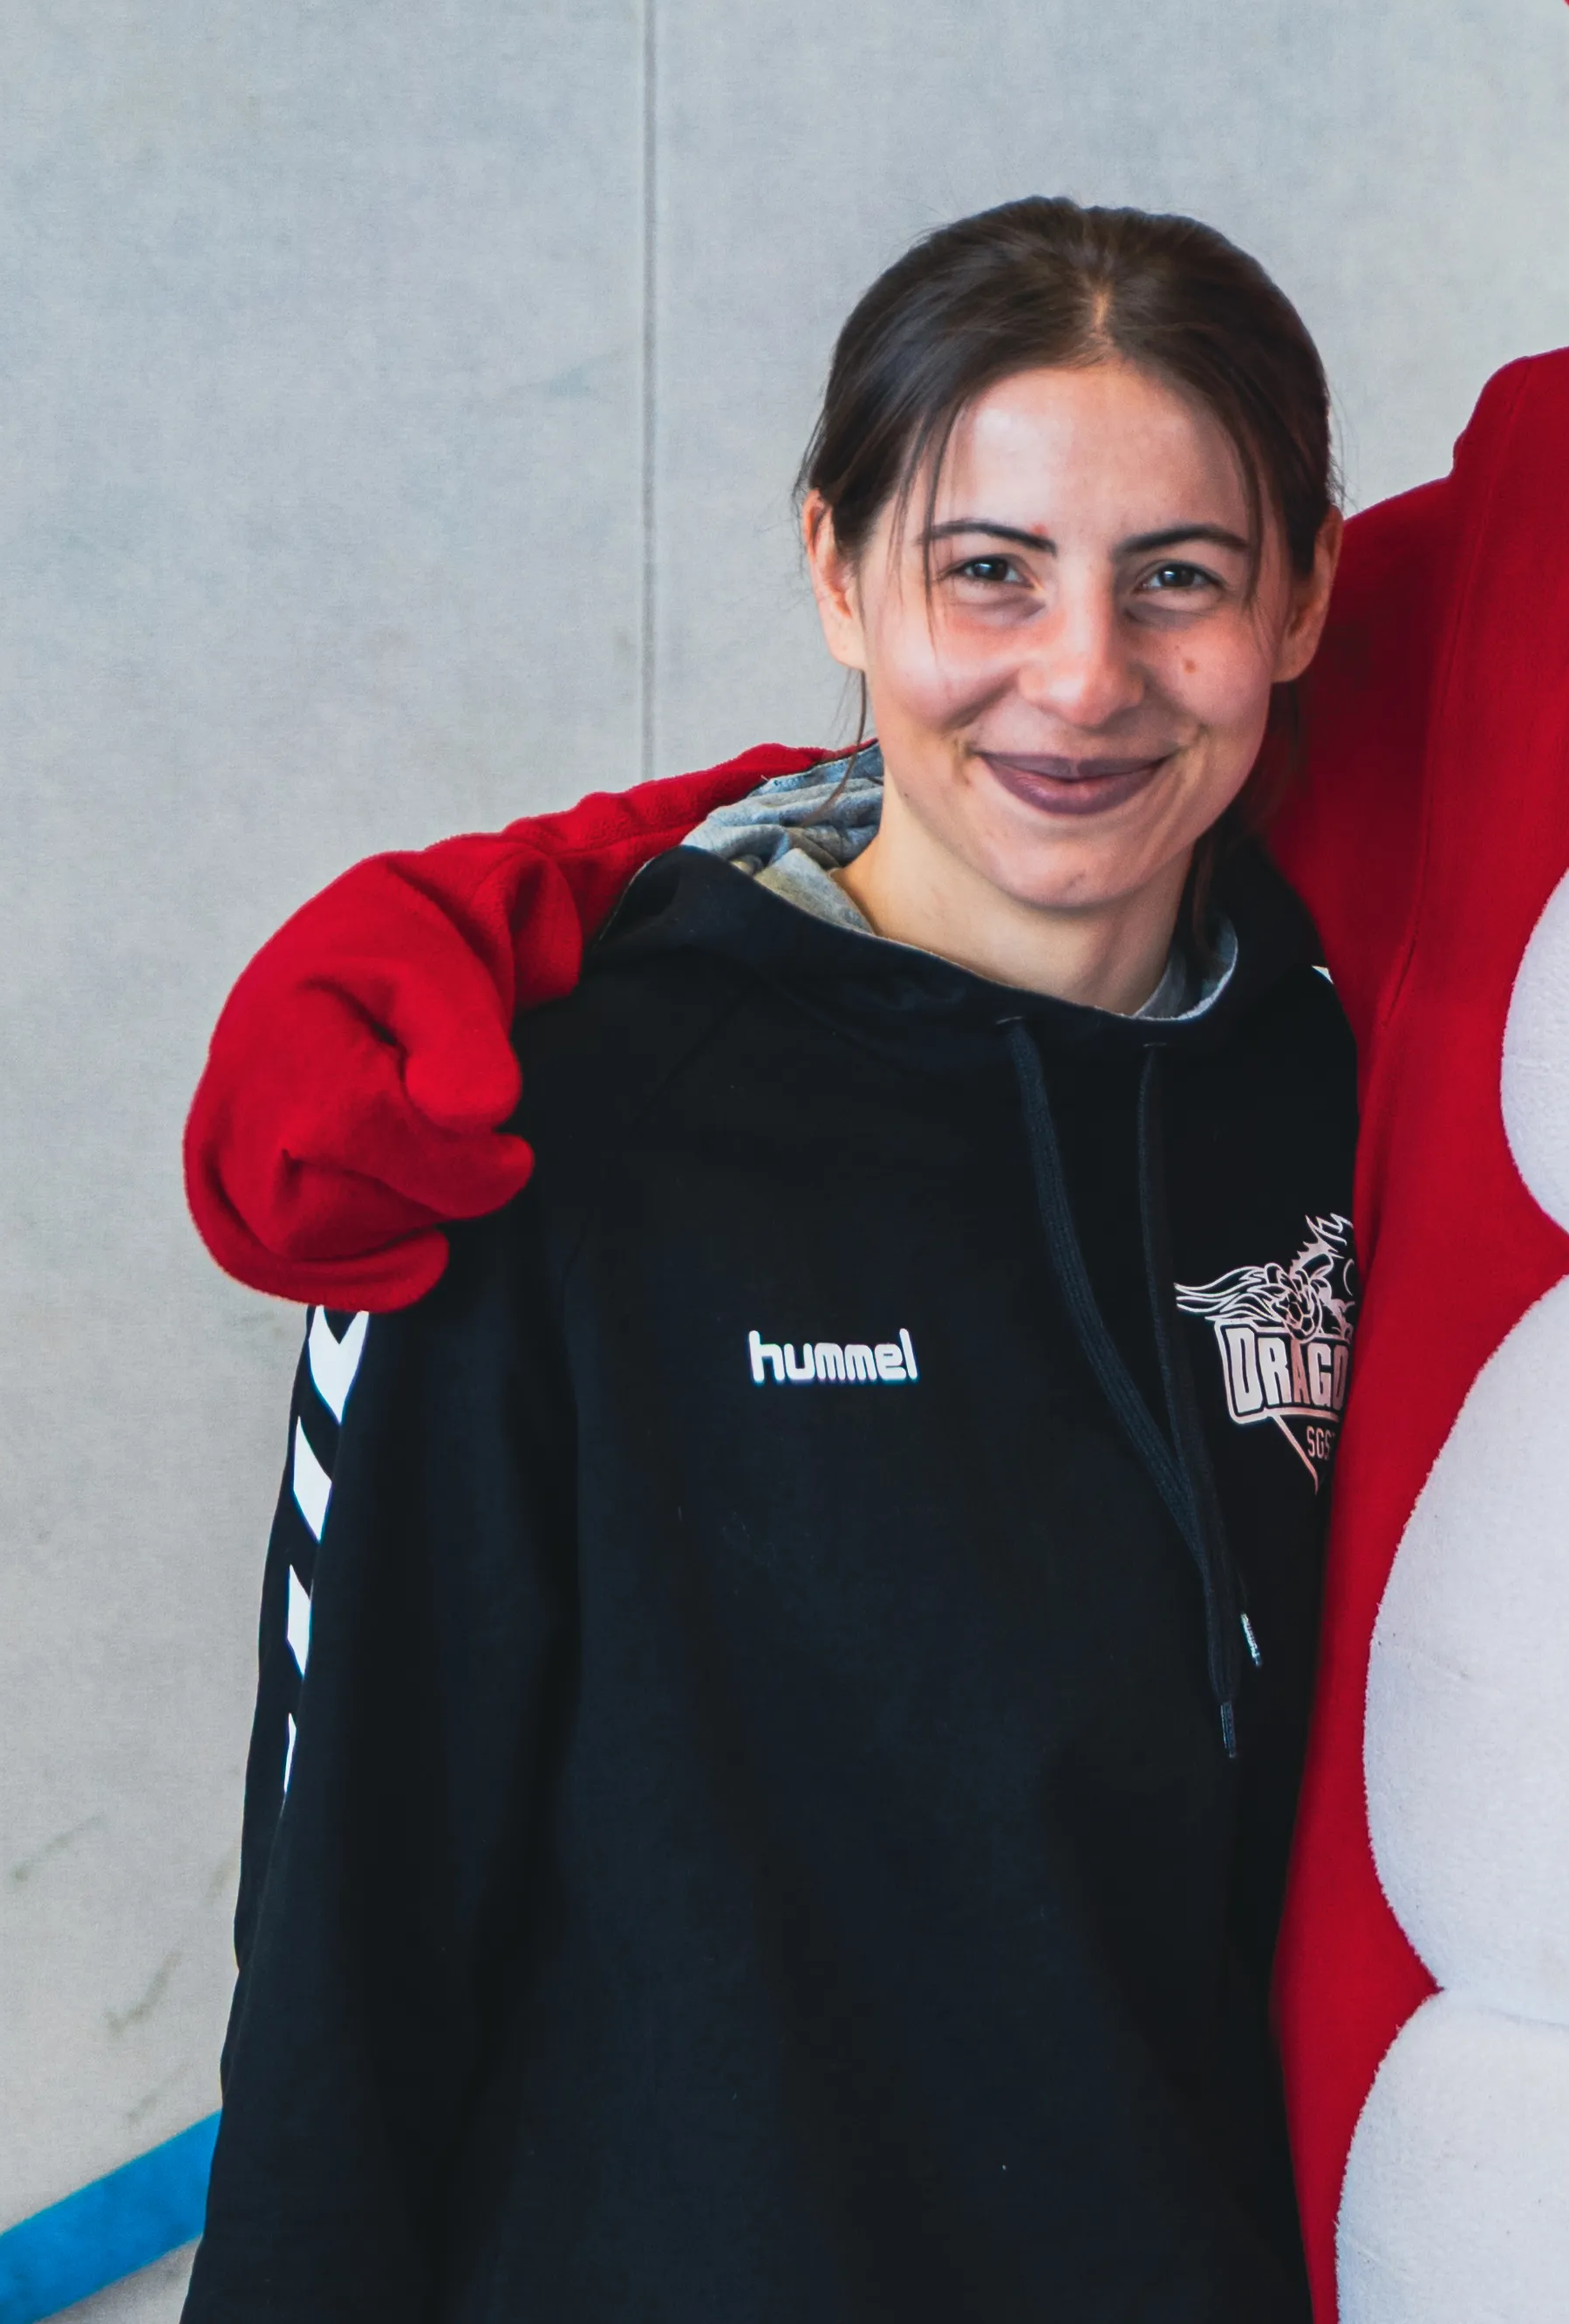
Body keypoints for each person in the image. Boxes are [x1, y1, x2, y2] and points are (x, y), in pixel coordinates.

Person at [186, 200, 1359, 2324]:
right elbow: (354, 1926)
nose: (1079, 678)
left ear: (1301, 598)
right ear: (836, 567)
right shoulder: (541, 1125)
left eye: (1175, 577)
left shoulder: (1342, 1092)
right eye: (983, 570)